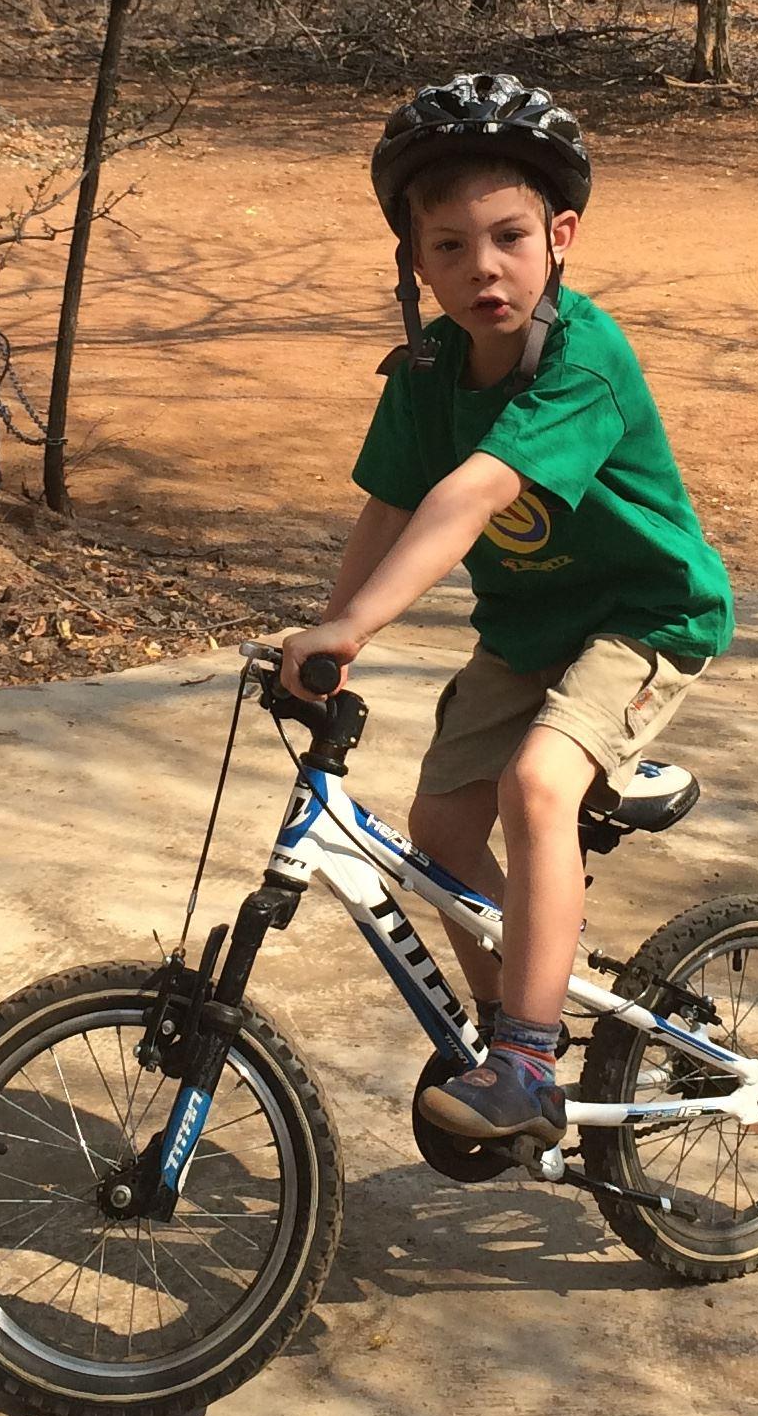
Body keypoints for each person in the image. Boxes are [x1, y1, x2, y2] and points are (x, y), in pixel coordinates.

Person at [280, 72, 734, 1145]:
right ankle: (507, 1032)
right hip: (529, 631)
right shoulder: (426, 370)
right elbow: (392, 506)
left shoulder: (584, 357)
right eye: (449, 246)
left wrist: (356, 627)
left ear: (558, 236)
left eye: (509, 237)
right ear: (416, 261)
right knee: (439, 831)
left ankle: (527, 1064)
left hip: (646, 620)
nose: (482, 268)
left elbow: (476, 491)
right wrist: (333, 634)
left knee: (536, 785)